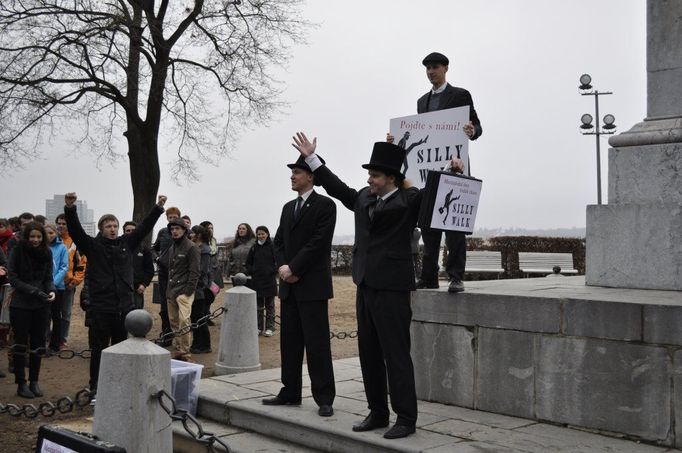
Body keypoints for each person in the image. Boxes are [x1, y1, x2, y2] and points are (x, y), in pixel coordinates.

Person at [291, 131, 464, 439]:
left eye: (374, 175)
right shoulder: (361, 198)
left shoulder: (408, 199)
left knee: (395, 353)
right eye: (369, 175)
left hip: (394, 289)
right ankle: (378, 412)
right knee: (368, 352)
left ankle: (406, 418)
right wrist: (312, 159)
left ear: (391, 178)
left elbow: (436, 193)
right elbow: (335, 185)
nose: (369, 179)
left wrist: (453, 171)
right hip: (365, 285)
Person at [395, 51, 482, 293]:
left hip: (454, 168)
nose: (430, 71)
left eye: (434, 67)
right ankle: (429, 277)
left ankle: (455, 277)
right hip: (429, 171)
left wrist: (470, 130)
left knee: (454, 226)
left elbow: (477, 126)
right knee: (428, 227)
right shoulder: (421, 102)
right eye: (427, 68)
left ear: (445, 68)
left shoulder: (460, 95)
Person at [64, 192, 166, 393]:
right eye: (108, 226)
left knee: (121, 349)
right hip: (101, 307)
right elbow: (75, 231)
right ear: (101, 229)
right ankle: (96, 387)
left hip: (124, 307)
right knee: (99, 351)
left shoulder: (125, 244)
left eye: (115, 226)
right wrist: (70, 209)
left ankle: (119, 385)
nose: (112, 229)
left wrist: (158, 207)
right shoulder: (93, 246)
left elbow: (144, 227)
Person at [262, 154, 336, 419]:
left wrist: (294, 268)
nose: (292, 176)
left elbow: (318, 243)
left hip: (312, 286)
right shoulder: (286, 207)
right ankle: (290, 391)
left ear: (310, 176)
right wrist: (284, 268)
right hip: (289, 286)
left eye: (297, 172)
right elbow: (279, 241)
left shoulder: (325, 206)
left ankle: (324, 397)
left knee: (317, 344)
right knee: (289, 342)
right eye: (292, 172)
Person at [7, 222, 56, 398]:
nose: (35, 240)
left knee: (38, 343)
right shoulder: (17, 251)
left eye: (38, 236)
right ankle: (21, 383)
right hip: (20, 303)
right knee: (20, 343)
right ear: (27, 237)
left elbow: (49, 277)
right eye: (32, 236)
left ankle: (34, 381)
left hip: (41, 304)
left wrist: (51, 290)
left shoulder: (47, 253)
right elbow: (13, 278)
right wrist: (33, 291)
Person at [165, 218, 200, 361]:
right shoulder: (172, 247)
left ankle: (185, 352)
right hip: (172, 290)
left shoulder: (192, 247)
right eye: (172, 229)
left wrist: (188, 291)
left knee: (184, 321)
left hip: (184, 292)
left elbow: (195, 271)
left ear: (184, 230)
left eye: (177, 229)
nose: (174, 231)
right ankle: (179, 349)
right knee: (174, 322)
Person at [55, 213, 87, 349]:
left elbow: (82, 263)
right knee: (48, 314)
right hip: (51, 284)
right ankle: (48, 338)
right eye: (59, 223)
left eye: (64, 223)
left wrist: (76, 280)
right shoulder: (50, 239)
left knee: (65, 314)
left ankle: (62, 340)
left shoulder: (76, 241)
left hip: (68, 284)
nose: (61, 226)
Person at [153, 206, 181, 344]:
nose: (172, 220)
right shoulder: (163, 232)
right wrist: (157, 258)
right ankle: (167, 335)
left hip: (179, 273)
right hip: (164, 272)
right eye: (170, 217)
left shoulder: (184, 233)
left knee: (179, 305)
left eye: (174, 217)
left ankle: (181, 337)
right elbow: (154, 248)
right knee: (164, 306)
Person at [245, 225, 277, 337]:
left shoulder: (273, 246)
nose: (261, 236)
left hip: (269, 280)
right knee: (258, 306)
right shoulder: (254, 248)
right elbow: (248, 263)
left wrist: (272, 271)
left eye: (263, 233)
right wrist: (252, 271)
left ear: (267, 234)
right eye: (259, 234)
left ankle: (270, 327)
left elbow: (277, 262)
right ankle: (258, 327)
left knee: (270, 306)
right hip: (257, 280)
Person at [44, 224, 68, 352]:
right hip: (41, 287)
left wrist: (52, 283)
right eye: (46, 233)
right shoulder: (40, 247)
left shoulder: (62, 247)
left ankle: (55, 345)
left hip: (58, 288)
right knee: (43, 316)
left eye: (51, 233)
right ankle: (42, 342)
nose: (49, 236)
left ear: (56, 233)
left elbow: (64, 267)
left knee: (56, 316)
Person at [189, 225, 212, 354]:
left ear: (198, 235)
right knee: (196, 317)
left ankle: (203, 344)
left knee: (199, 318)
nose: (190, 235)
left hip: (199, 289)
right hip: (197, 287)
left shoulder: (203, 250)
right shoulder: (198, 248)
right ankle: (198, 343)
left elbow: (202, 271)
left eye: (192, 233)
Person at [123, 221, 155, 310]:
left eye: (133, 230)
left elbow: (149, 270)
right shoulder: (118, 248)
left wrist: (144, 284)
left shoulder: (144, 249)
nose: (130, 233)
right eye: (128, 231)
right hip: (121, 289)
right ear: (124, 232)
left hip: (137, 289)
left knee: (136, 317)